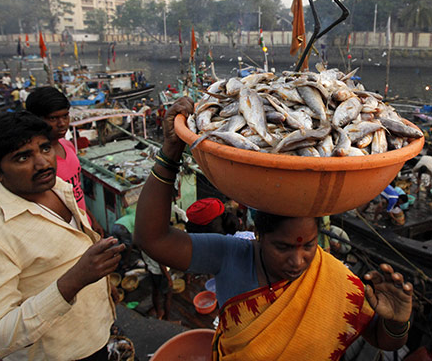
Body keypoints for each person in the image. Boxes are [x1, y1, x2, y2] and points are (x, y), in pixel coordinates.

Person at [135, 97, 414, 360]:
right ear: (258, 234)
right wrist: (170, 152)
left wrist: (397, 320)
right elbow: (152, 239)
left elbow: (382, 338)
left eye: (308, 245)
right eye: (282, 247)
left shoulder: (338, 280)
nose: (297, 260)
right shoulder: (230, 255)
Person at [0, 112, 125, 360]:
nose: (43, 163)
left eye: (45, 148)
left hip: (94, 335)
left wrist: (100, 288)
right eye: (23, 157)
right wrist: (73, 282)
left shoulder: (56, 187)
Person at [26, 86, 104, 236]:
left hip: (84, 224)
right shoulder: (35, 162)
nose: (62, 123)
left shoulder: (67, 145)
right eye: (53, 118)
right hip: (63, 233)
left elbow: (76, 192)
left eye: (65, 116)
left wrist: (91, 219)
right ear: (36, 119)